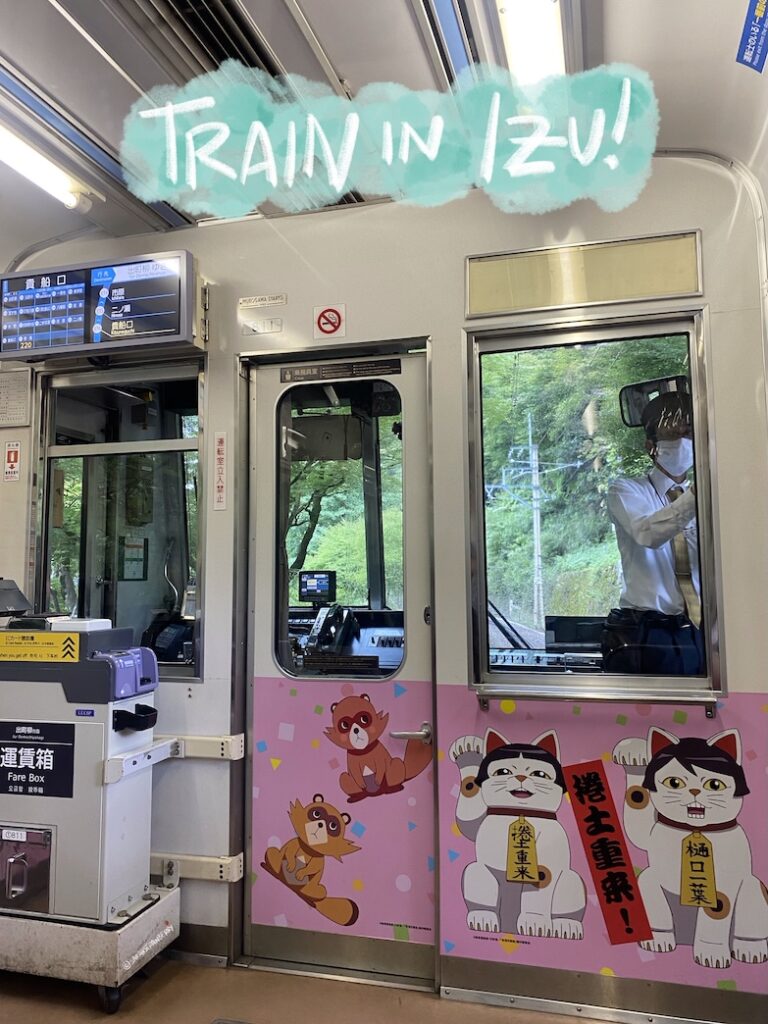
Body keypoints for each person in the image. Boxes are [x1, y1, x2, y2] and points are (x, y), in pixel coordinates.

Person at [602, 389, 703, 675]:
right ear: (651, 446)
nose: (683, 441)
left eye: (688, 433)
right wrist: (697, 492)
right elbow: (647, 534)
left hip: (699, 629)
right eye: (672, 434)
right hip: (648, 632)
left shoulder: (708, 499)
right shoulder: (626, 490)